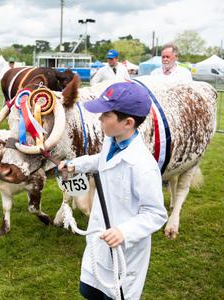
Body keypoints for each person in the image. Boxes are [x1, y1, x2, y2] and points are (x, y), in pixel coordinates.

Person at [58, 82, 167, 299]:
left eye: (105, 115)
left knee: (116, 294)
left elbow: (156, 214)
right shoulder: (112, 141)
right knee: (91, 290)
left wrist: (124, 232)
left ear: (127, 122)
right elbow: (102, 160)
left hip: (123, 249)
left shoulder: (143, 166)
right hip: (99, 238)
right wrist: (76, 164)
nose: (99, 119)